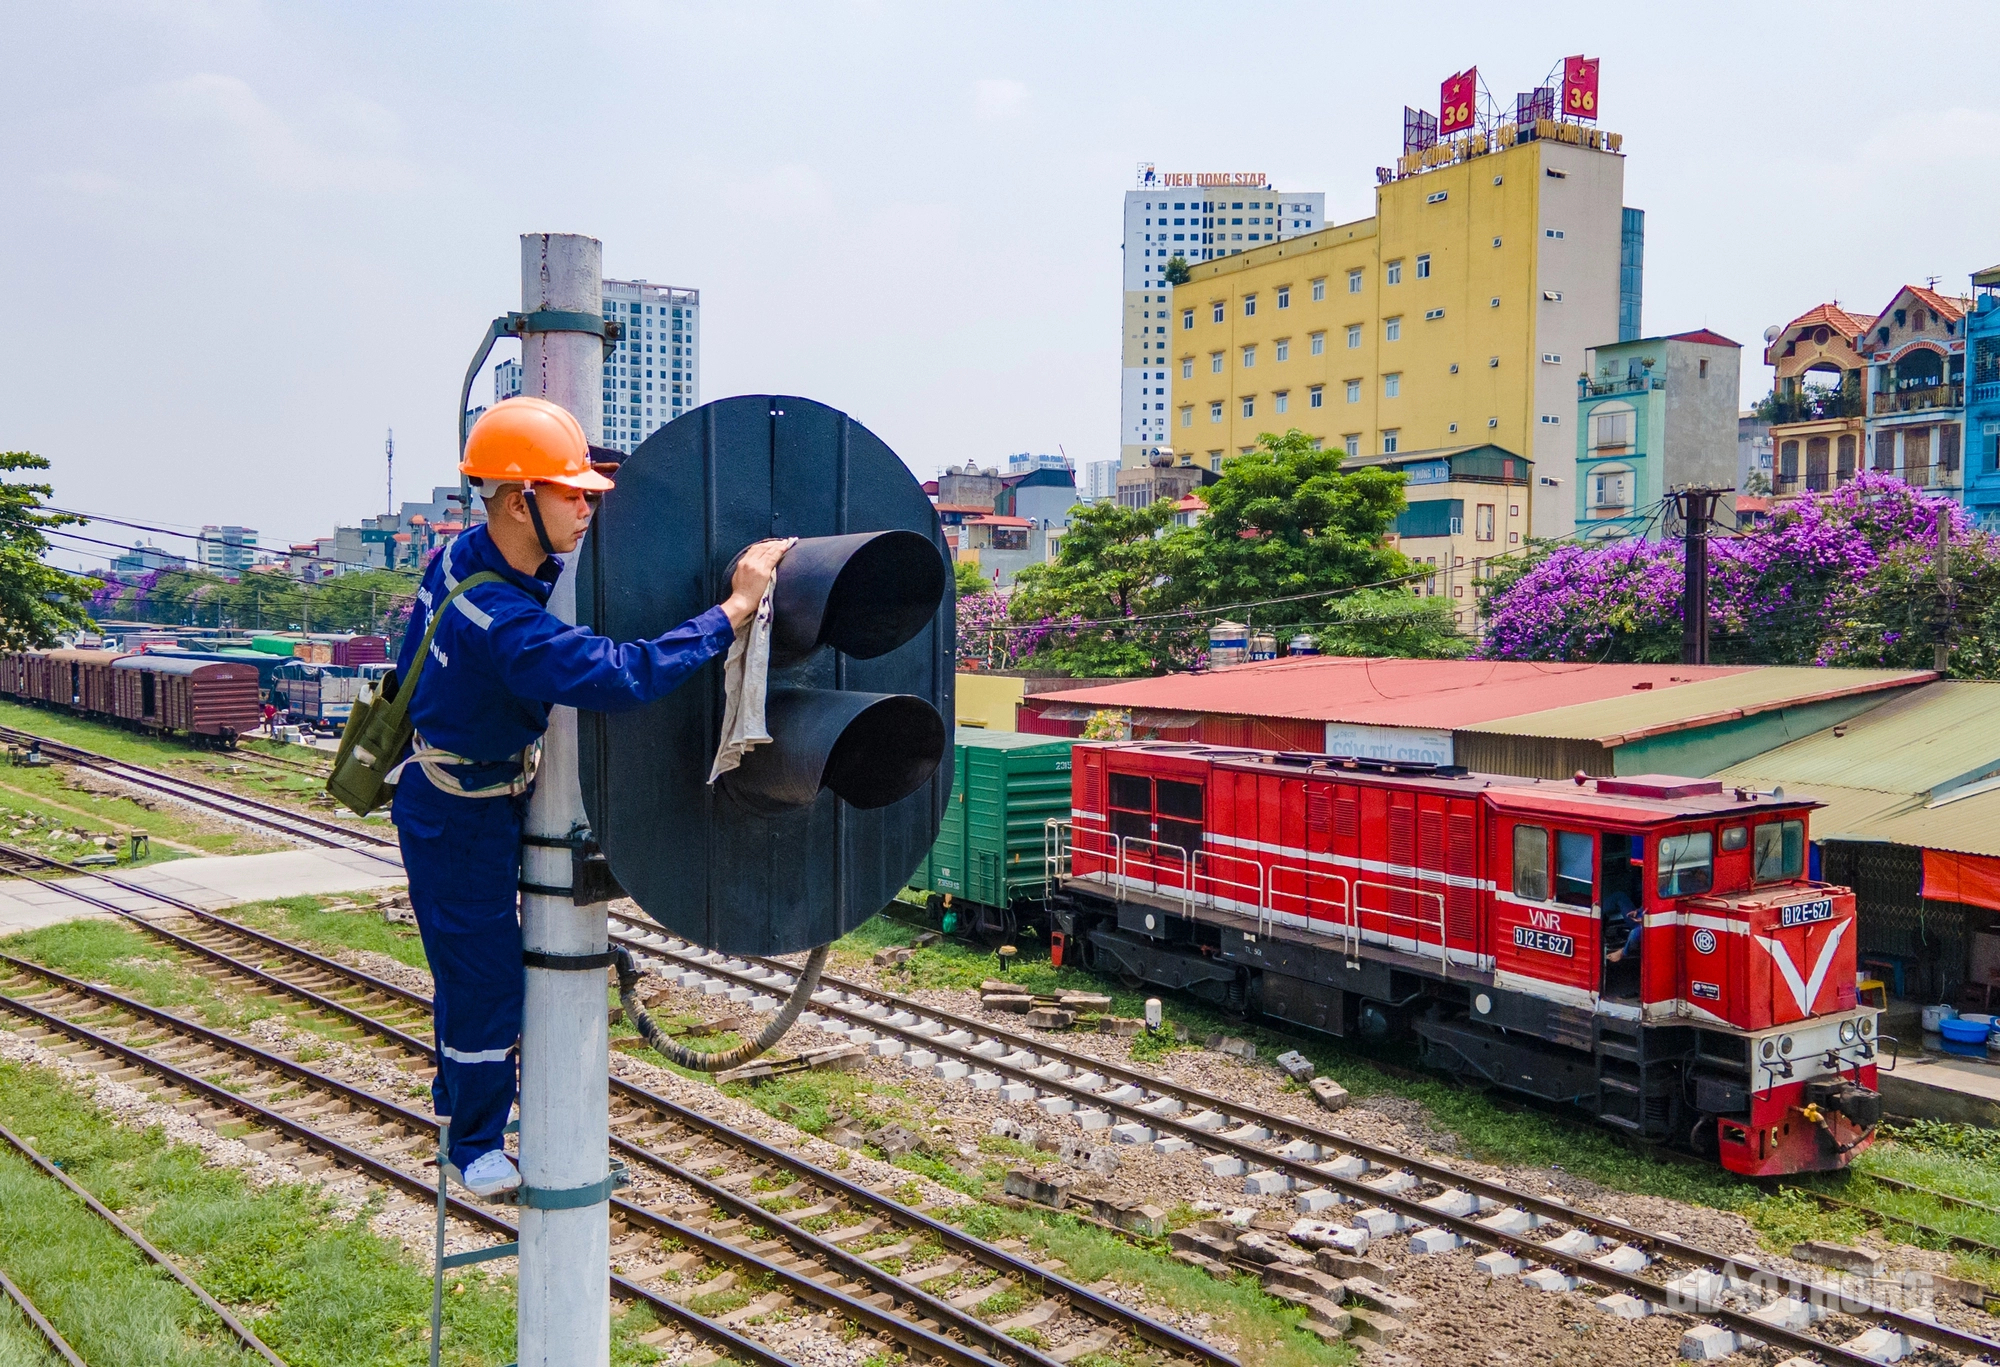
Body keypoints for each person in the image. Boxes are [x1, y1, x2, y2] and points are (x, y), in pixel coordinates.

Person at [393, 396, 788, 1198]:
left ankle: (473, 1106)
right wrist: (735, 611)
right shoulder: (500, 623)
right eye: (571, 494)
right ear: (516, 501)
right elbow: (620, 673)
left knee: (486, 973)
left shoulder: (474, 555)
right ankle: (471, 1143)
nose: (588, 506)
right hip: (457, 816)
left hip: (476, 792)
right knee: (486, 980)